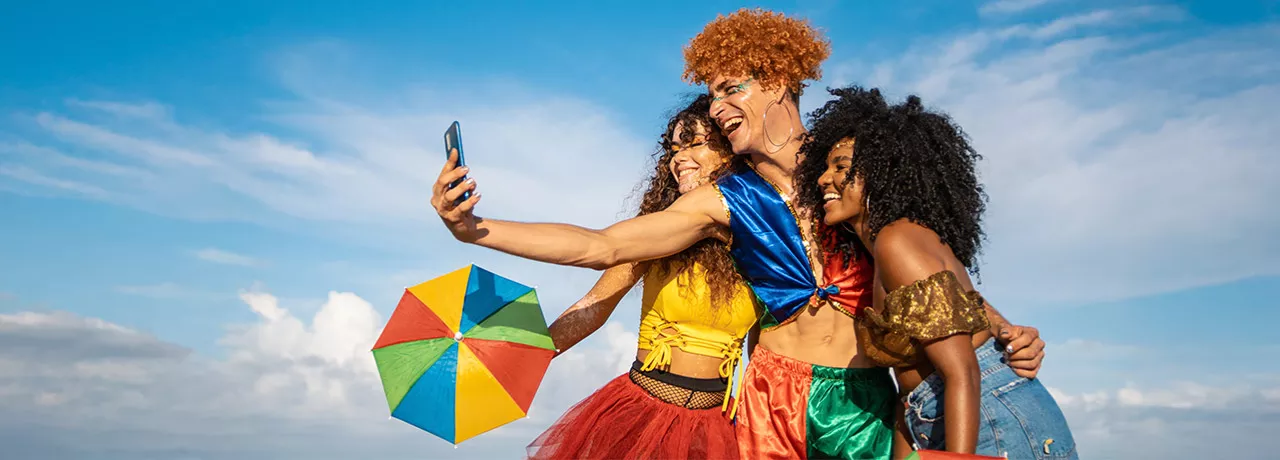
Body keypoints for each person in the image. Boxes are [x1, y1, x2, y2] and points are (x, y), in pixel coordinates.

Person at [430, 8, 1046, 459]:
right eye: (712, 94)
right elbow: (603, 245)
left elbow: (923, 260)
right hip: (770, 401)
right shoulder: (723, 200)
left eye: (732, 89)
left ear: (778, 80)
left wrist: (1000, 326)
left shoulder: (848, 168)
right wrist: (474, 229)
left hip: (863, 401)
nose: (719, 106)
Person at [797, 86, 1078, 459]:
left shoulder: (896, 241)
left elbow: (963, 372)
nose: (822, 179)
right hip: (945, 414)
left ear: (882, 172)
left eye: (841, 167)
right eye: (825, 167)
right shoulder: (886, 247)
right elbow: (910, 392)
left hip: (991, 416)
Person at [526, 94, 758, 460]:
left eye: (694, 143)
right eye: (674, 149)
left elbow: (763, 348)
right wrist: (526, 357)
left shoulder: (761, 240)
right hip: (641, 417)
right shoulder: (654, 232)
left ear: (730, 151)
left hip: (718, 429)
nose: (678, 158)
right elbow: (593, 307)